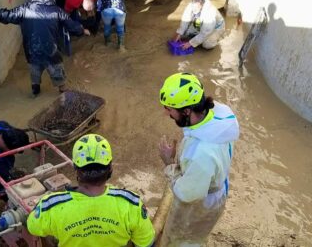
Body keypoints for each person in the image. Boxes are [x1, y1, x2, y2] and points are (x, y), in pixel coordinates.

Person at [27, 134, 155, 247]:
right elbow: (146, 242)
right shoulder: (131, 205)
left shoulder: (50, 207)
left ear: (76, 169)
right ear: (110, 168)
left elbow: (33, 228)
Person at [158, 73, 239, 246]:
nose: (166, 113)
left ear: (187, 111)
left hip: (200, 205)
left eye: (169, 109)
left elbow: (186, 195)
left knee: (181, 238)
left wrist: (169, 164)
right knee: (197, 237)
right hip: (214, 189)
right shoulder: (218, 113)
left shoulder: (201, 153)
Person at [0, 0, 90, 96]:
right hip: (51, 52)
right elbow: (71, 25)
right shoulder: (56, 11)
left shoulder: (24, 9)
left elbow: (7, 15)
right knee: (58, 75)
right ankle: (62, 91)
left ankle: (36, 92)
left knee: (35, 78)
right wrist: (83, 30)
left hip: (32, 53)